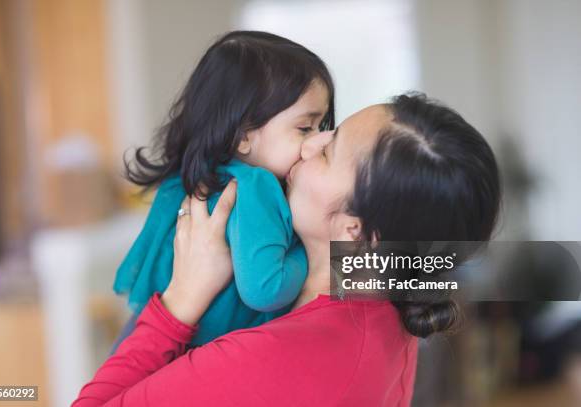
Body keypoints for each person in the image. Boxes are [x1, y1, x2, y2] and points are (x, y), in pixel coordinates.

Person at [74, 94, 501, 406]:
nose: (310, 144)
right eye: (322, 130)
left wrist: (181, 300)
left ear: (356, 228)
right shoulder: (389, 314)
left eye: (329, 152)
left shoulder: (281, 356)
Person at [113, 31, 335, 346]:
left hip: (153, 337)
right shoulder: (255, 186)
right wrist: (317, 253)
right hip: (199, 353)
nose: (318, 141)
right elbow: (267, 288)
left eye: (322, 126)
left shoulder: (194, 180)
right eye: (305, 128)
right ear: (242, 135)